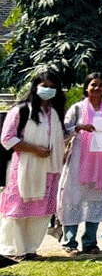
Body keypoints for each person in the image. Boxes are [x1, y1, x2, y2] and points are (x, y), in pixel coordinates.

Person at [0, 72, 67, 261]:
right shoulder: (21, 110)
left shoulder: (54, 113)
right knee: (17, 209)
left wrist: (77, 129)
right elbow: (7, 138)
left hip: (49, 169)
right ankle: (14, 250)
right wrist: (34, 149)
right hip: (25, 168)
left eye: (52, 86)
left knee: (40, 211)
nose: (48, 90)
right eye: (44, 85)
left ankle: (30, 249)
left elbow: (59, 136)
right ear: (35, 87)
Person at [59, 72, 102, 256]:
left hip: (101, 163)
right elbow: (63, 133)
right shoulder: (77, 109)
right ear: (86, 87)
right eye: (93, 84)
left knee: (96, 201)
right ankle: (70, 242)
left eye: (101, 85)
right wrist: (78, 128)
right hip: (79, 162)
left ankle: (90, 242)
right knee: (73, 199)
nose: (97, 88)